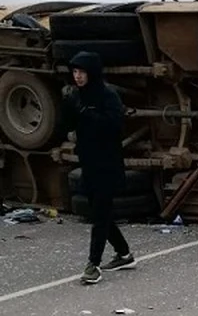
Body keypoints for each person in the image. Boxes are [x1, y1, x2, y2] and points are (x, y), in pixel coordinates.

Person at [61, 51, 136, 284]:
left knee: (100, 216)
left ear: (92, 73)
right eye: (75, 72)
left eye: (82, 72)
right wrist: (69, 108)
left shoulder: (107, 95)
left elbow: (114, 126)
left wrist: (88, 114)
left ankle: (93, 265)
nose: (78, 77)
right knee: (99, 212)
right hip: (89, 163)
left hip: (107, 163)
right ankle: (124, 253)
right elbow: (70, 125)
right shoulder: (79, 96)